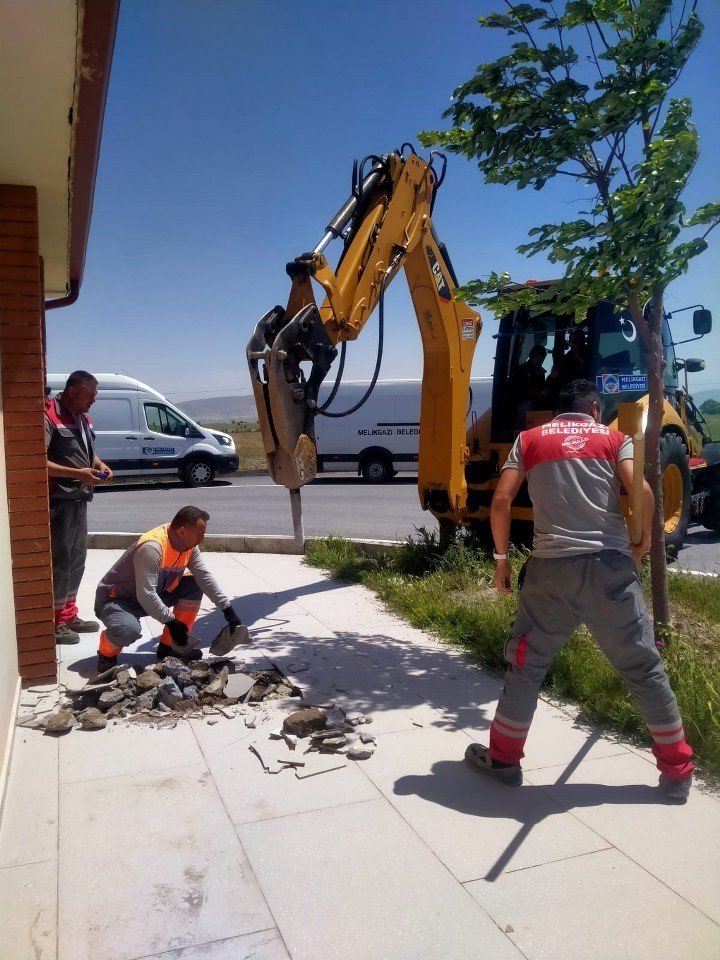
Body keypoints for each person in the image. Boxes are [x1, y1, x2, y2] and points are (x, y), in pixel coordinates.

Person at [465, 379, 694, 804]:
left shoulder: (530, 439)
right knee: (643, 669)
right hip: (610, 570)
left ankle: (504, 759)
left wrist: (501, 562)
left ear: (557, 415)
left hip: (550, 572)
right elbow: (640, 488)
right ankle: (677, 772)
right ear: (592, 410)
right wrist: (640, 541)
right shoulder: (613, 437)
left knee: (527, 666)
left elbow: (501, 501)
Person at [94, 505, 244, 671]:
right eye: (200, 534)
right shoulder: (152, 548)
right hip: (118, 600)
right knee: (127, 630)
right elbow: (146, 594)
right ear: (182, 532)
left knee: (193, 584)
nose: (202, 539)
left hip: (153, 593)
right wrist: (173, 623)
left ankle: (170, 648)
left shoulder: (189, 547)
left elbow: (204, 577)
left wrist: (227, 610)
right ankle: (106, 653)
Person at [46, 371, 113, 644]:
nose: (93, 401)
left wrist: (98, 465)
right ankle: (55, 620)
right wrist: (78, 473)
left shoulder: (82, 417)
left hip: (80, 499)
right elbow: (38, 461)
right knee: (60, 562)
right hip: (58, 502)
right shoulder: (48, 414)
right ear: (72, 390)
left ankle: (69, 614)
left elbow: (88, 450)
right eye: (90, 395)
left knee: (77, 560)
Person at [511, 344, 547, 428]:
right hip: (523, 404)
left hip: (536, 405)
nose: (539, 361)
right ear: (531, 355)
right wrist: (538, 392)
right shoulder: (521, 370)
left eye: (542, 359)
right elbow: (518, 391)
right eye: (537, 358)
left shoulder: (540, 372)